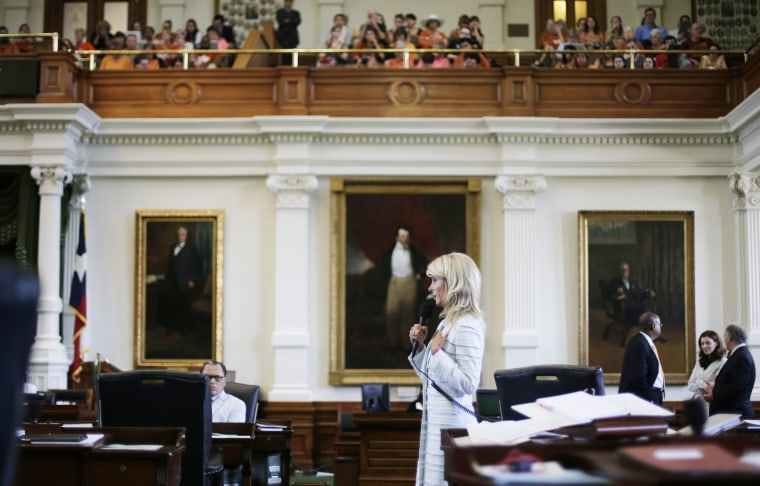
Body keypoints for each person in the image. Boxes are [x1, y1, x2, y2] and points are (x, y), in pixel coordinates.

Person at [408, 252, 485, 486]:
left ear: (453, 282)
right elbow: (432, 379)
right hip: (437, 427)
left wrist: (437, 354)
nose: (430, 288)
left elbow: (468, 383)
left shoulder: (467, 326)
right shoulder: (446, 322)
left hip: (454, 429)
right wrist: (422, 348)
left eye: (435, 280)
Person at [379, 227, 428, 349]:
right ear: (397, 238)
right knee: (392, 313)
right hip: (394, 283)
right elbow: (382, 266)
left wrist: (420, 275)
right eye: (402, 236)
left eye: (406, 236)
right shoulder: (390, 251)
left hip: (409, 283)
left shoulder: (413, 251)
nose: (404, 239)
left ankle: (407, 345)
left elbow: (425, 262)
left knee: (408, 314)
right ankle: (393, 343)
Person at [703, 324, 756, 418]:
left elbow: (738, 387)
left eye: (725, 336)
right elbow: (733, 381)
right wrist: (715, 386)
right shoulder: (739, 354)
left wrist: (714, 393)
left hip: (735, 415)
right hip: (731, 414)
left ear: (728, 337)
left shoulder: (741, 357)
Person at [159, 226, 202, 333]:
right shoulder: (173, 247)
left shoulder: (192, 249)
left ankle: (184, 328)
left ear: (186, 236)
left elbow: (197, 266)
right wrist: (167, 278)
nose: (180, 237)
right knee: (173, 303)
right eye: (178, 234)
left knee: (184, 305)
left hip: (185, 281)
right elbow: (170, 265)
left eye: (182, 234)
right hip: (173, 281)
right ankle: (174, 327)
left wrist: (192, 280)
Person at [618, 312, 665, 405]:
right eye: (660, 325)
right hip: (645, 400)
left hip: (651, 396)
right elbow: (639, 377)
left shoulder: (644, 342)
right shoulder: (640, 344)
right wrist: (649, 398)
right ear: (653, 326)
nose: (661, 327)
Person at [687, 330, 727, 400]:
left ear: (716, 343)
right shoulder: (699, 362)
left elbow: (716, 386)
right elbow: (690, 385)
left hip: (714, 403)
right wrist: (703, 385)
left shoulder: (723, 362)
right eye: (702, 344)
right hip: (699, 402)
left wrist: (698, 382)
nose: (704, 346)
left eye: (708, 343)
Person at [275, 0, 301, 65]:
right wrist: (291, 21)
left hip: (293, 37)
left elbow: (297, 22)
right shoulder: (280, 12)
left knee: (293, 54)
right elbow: (280, 22)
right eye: (287, 2)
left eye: (290, 2)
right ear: (284, 2)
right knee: (285, 54)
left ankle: (294, 68)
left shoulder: (296, 13)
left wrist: (287, 21)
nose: (288, 3)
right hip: (283, 37)